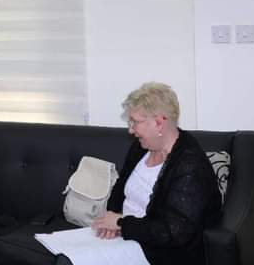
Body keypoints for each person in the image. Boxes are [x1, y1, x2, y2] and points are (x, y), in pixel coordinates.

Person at [91, 82, 222, 265]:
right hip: (126, 239)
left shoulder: (190, 165)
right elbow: (120, 189)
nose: (130, 130)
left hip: (160, 253)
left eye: (135, 122)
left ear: (159, 123)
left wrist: (121, 223)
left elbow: (173, 231)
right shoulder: (141, 147)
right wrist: (111, 221)